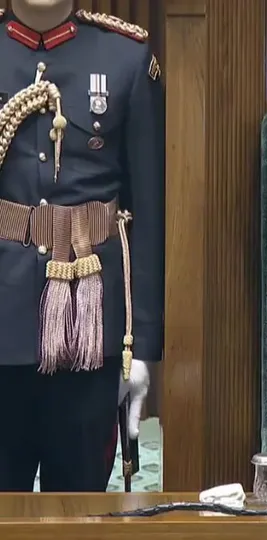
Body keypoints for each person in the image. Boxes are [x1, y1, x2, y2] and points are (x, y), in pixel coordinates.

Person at [0, 1, 163, 492]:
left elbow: (149, 211)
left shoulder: (126, 57)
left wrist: (144, 349)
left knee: (79, 509)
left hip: (90, 329)